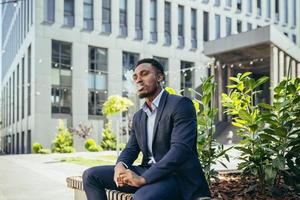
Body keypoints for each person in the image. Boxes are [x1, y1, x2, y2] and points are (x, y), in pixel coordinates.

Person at [83, 58, 211, 200]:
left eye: (144, 74)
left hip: (175, 176)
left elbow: (180, 150)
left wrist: (143, 178)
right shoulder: (139, 116)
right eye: (135, 77)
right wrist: (120, 165)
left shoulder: (180, 104)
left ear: (160, 77)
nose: (138, 80)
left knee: (141, 198)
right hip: (146, 171)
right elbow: (131, 148)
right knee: (91, 175)